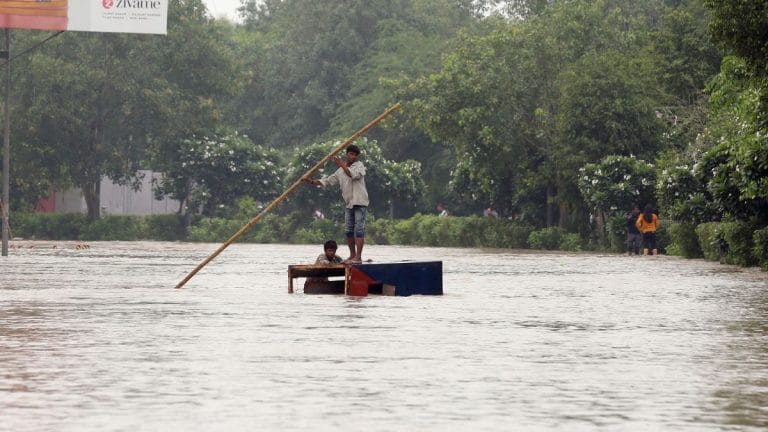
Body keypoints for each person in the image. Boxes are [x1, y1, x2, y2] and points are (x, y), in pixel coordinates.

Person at [302, 144, 368, 263]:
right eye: (351, 154)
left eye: (355, 155)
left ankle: (358, 257)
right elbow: (327, 181)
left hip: (360, 202)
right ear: (347, 154)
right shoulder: (339, 172)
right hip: (349, 203)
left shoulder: (359, 166)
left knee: (359, 230)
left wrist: (342, 165)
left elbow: (352, 175)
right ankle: (352, 255)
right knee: (348, 230)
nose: (353, 157)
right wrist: (311, 181)